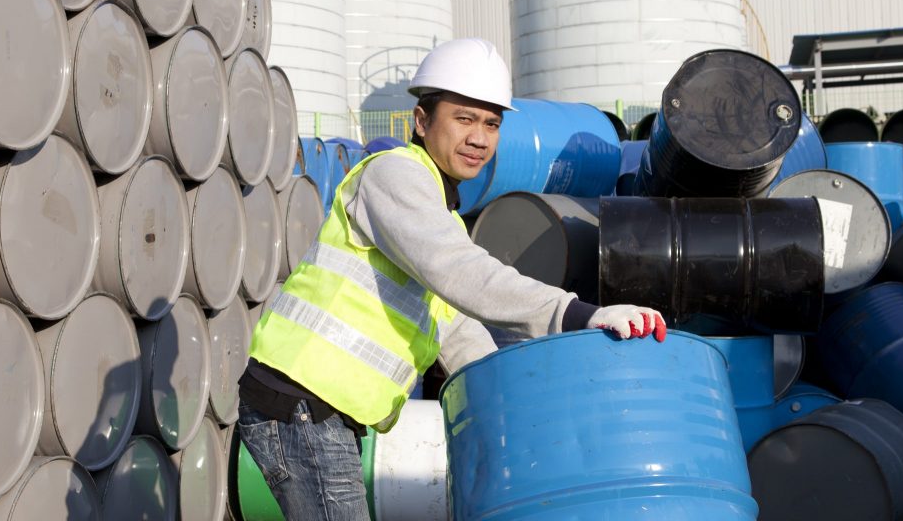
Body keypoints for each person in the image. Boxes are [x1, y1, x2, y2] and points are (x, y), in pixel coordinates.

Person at [237, 38, 666, 520]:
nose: (479, 138)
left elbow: (458, 332)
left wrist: (519, 414)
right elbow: (463, 273)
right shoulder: (394, 177)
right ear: (421, 122)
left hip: (320, 411)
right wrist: (578, 314)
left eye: (491, 124)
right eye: (464, 119)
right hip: (298, 400)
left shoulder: (440, 213)